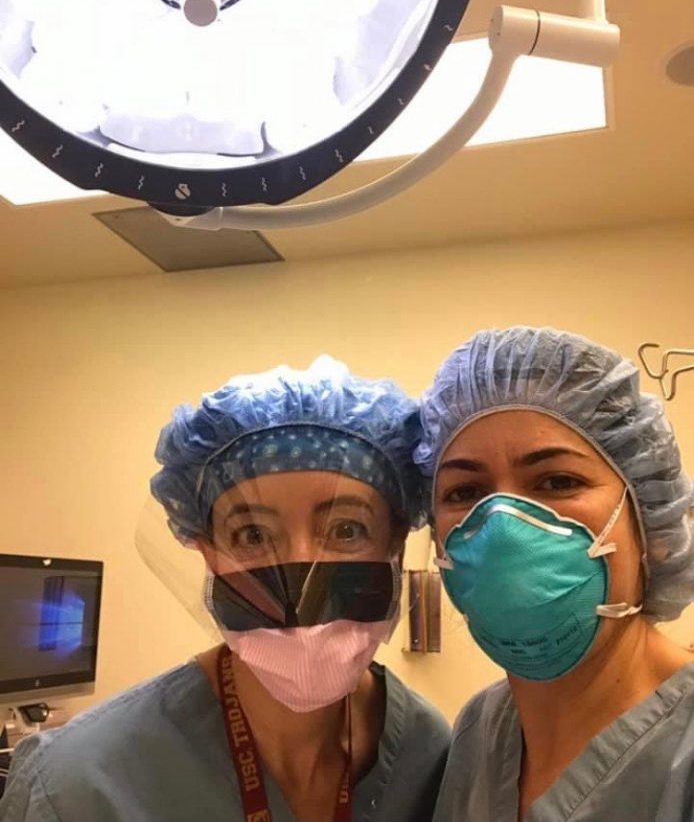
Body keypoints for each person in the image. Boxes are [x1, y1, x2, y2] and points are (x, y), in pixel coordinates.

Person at [2, 356, 450, 822]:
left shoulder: (427, 754)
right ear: (209, 553)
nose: (300, 587)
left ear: (395, 546)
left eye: (345, 530)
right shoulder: (77, 787)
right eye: (253, 536)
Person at [415, 327, 694, 822]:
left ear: (651, 523)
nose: (502, 528)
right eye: (463, 491)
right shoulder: (481, 730)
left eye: (557, 481)